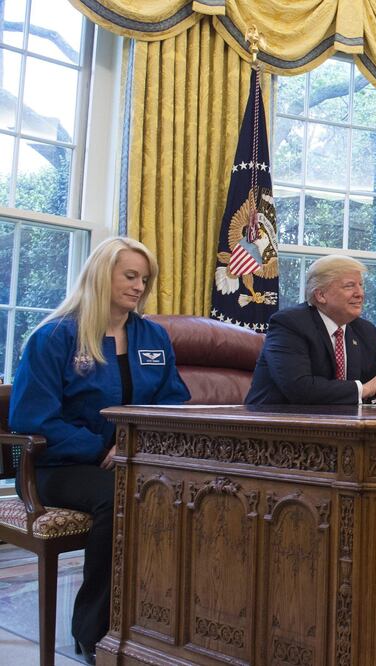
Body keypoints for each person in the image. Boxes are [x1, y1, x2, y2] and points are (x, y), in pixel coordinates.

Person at [8, 236, 191, 663]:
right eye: (130, 276)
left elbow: (174, 402)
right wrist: (99, 449)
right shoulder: (55, 336)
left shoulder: (152, 336)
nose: (139, 287)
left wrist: (132, 446)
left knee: (186, 493)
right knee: (121, 496)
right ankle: (95, 631)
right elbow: (33, 419)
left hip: (133, 459)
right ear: (100, 275)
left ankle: (159, 620)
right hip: (56, 467)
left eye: (144, 279)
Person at [245, 255, 376, 405]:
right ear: (320, 295)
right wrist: (365, 389)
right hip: (275, 424)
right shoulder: (290, 324)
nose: (360, 293)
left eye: (361, 285)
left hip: (341, 425)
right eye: (349, 286)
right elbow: (300, 388)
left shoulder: (365, 331)